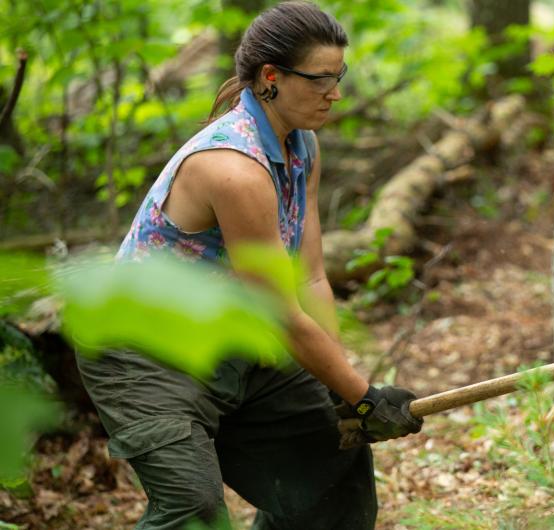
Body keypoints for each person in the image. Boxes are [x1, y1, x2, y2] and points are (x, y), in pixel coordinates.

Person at [75, 3, 422, 529]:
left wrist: (344, 392)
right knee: (192, 510)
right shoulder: (234, 169)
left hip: (231, 337)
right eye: (321, 80)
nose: (336, 93)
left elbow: (308, 277)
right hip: (143, 352)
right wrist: (365, 396)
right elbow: (280, 311)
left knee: (332, 462)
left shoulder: (302, 145)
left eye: (339, 77)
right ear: (271, 78)